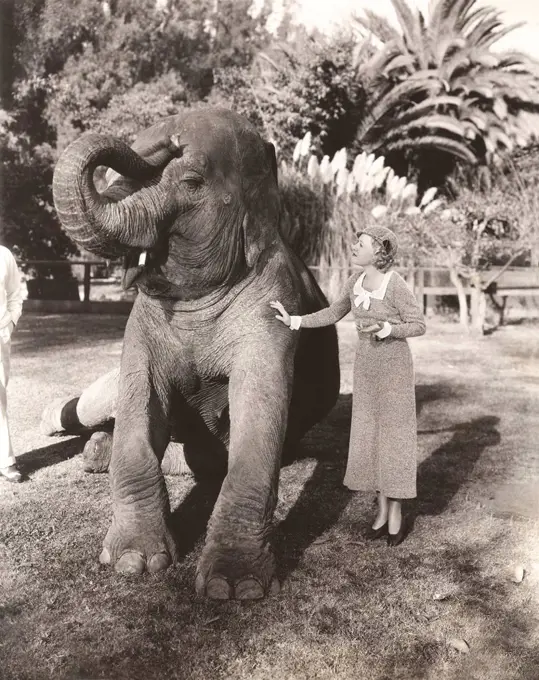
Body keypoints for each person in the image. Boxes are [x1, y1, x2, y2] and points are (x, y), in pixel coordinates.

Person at [270, 225, 425, 546]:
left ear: (379, 252)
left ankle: (396, 514)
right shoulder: (354, 283)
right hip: (366, 369)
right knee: (371, 437)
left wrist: (387, 328)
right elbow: (332, 312)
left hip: (394, 368)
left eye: (361, 243)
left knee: (393, 439)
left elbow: (419, 324)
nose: (354, 247)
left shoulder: (395, 284)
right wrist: (294, 320)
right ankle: (381, 513)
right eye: (356, 242)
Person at [0, 245, 24, 482]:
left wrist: (10, 324)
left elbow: (16, 293)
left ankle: (5, 461)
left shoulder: (3, 255)